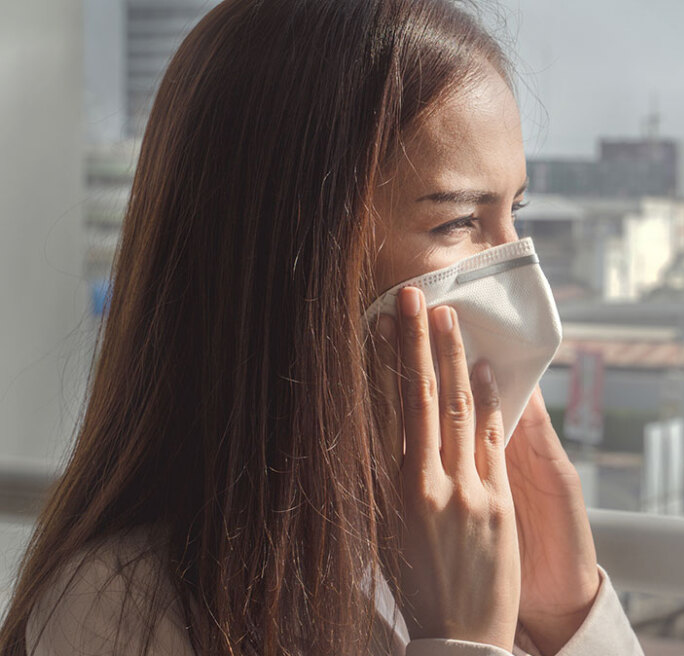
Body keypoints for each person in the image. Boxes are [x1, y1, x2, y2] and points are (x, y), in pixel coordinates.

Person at [0, 1, 644, 654]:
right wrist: (464, 639)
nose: (518, 277)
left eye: (515, 212)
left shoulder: (428, 546)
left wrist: (566, 614)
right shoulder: (118, 606)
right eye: (457, 222)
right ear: (295, 258)